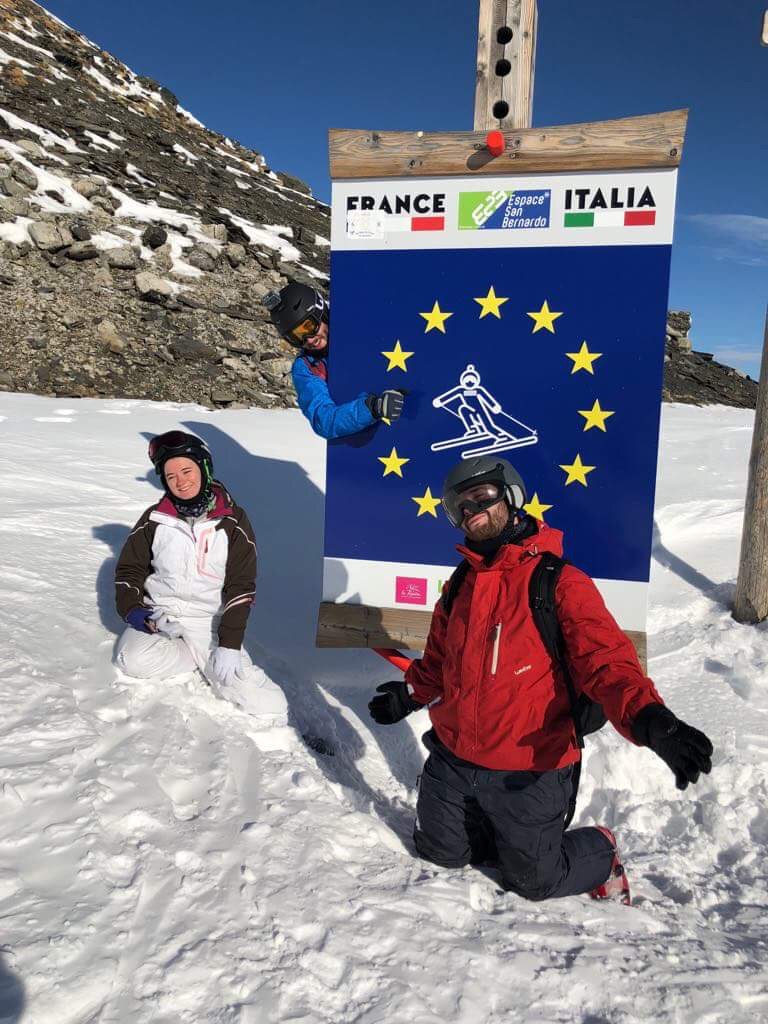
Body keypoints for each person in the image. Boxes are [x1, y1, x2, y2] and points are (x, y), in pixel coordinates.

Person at [368, 456, 713, 904]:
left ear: (510, 497)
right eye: (461, 508)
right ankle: (492, 827)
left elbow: (606, 661)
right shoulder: (459, 586)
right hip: (453, 758)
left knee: (534, 883)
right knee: (439, 854)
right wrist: (409, 695)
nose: (474, 512)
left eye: (484, 498)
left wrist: (648, 718)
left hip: (528, 768)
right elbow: (438, 662)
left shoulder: (559, 583)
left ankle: (601, 851)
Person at [114, 430, 287, 721]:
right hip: (162, 614)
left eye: (186, 470)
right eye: (171, 477)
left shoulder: (232, 522)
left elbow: (241, 588)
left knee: (261, 701)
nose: (181, 482)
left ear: (204, 469)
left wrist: (229, 645)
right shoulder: (155, 519)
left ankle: (201, 653)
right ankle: (190, 653)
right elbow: (129, 570)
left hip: (206, 620)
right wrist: (136, 612)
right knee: (130, 660)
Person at [263, 281, 405, 439]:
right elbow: (323, 420)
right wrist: (372, 408)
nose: (308, 340)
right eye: (296, 337)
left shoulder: (358, 324)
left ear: (320, 312)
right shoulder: (307, 366)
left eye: (308, 327)